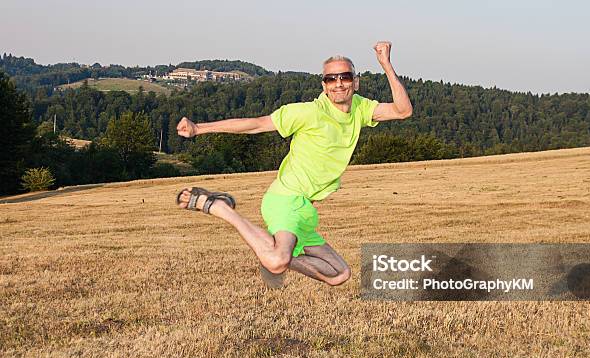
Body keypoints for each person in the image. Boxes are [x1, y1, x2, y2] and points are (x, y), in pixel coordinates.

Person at [176, 41, 413, 287]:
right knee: (277, 260)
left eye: (345, 77)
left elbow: (403, 111)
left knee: (340, 275)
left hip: (306, 211)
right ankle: (220, 207)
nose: (339, 83)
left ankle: (273, 253)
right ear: (324, 85)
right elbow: (256, 124)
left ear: (356, 82)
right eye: (331, 79)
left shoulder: (360, 108)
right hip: (285, 199)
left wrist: (385, 64)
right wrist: (199, 128)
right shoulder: (308, 112)